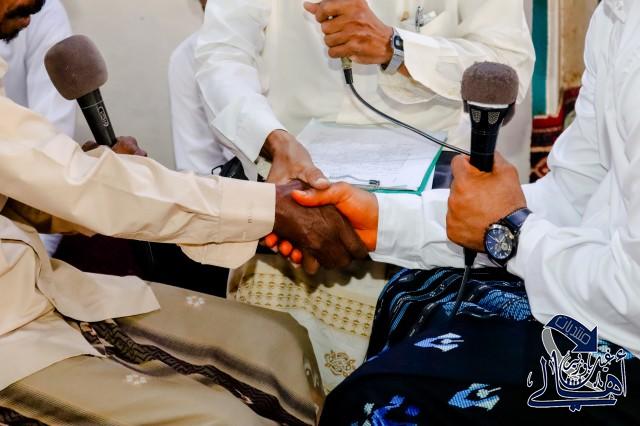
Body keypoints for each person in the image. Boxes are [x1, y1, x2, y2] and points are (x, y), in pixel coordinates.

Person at [0, 1, 368, 423]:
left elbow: (39, 188)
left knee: (280, 340)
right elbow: (77, 184)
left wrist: (94, 171)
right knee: (225, 421)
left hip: (41, 289)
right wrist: (270, 207)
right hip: (10, 336)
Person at [287, 0, 640, 423]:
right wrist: (383, 221)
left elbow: (631, 296)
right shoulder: (617, 15)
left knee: (377, 405)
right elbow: (573, 195)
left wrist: (510, 234)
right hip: (597, 303)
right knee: (413, 293)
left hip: (623, 339)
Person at [194, 0, 535, 188]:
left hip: (427, 193)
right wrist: (271, 140)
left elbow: (509, 67)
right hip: (291, 179)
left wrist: (397, 49)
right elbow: (221, 53)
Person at [0, 0, 73, 256]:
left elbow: (50, 160)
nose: (27, 21)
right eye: (24, 10)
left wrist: (35, 261)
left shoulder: (48, 15)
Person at [170, 0, 232, 175]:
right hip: (245, 186)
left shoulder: (295, 31)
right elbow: (199, 166)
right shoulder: (188, 56)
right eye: (208, 8)